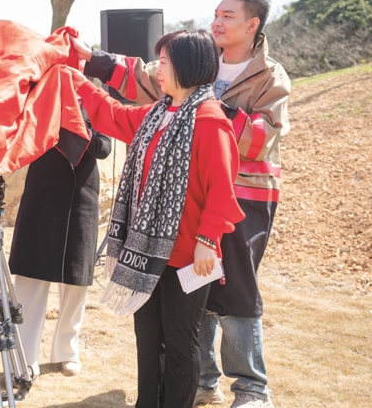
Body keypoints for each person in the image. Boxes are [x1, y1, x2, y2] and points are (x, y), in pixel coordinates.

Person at [75, 0, 290, 408]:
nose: (217, 21)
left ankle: (250, 388)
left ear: (253, 24)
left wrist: (208, 238)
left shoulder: (236, 98)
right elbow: (125, 102)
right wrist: (83, 73)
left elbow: (253, 147)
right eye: (216, 14)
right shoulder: (165, 106)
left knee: (226, 301)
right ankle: (191, 386)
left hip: (223, 215)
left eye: (228, 16)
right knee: (160, 331)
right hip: (158, 239)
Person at [69, 29, 244, 408]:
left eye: (164, 62)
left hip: (189, 255)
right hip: (146, 252)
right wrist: (77, 81)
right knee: (148, 339)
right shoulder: (156, 114)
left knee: (180, 343)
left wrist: (208, 241)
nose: (157, 69)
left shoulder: (210, 120)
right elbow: (113, 115)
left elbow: (221, 190)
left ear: (188, 65)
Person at [9, 108, 111, 378]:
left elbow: (104, 147)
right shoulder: (40, 95)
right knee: (31, 277)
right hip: (42, 192)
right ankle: (24, 357)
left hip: (81, 195)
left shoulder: (94, 100)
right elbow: (22, 136)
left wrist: (79, 130)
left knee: (75, 281)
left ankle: (67, 352)